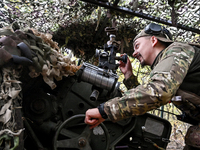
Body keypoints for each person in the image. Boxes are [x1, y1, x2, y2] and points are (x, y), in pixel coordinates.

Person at [84, 23, 200, 150]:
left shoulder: (178, 50)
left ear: (154, 40)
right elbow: (148, 98)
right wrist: (128, 75)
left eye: (137, 46)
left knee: (195, 137)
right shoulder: (168, 65)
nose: (134, 53)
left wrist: (105, 110)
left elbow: (160, 92)